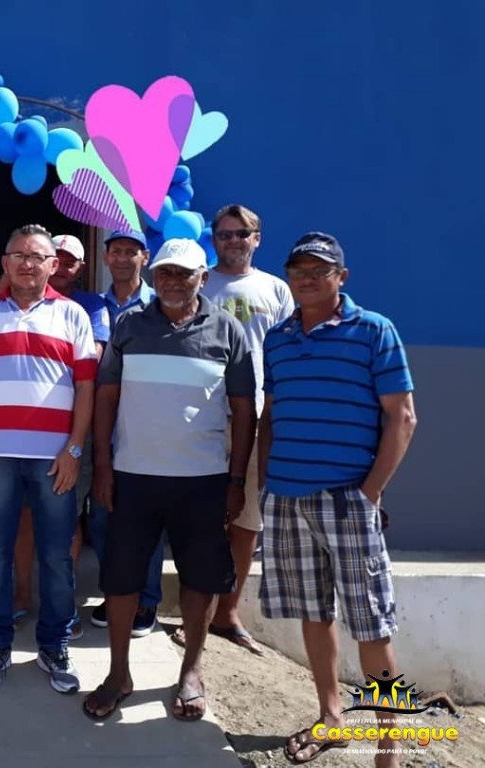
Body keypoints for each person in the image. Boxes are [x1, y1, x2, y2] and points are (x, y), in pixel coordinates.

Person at [259, 233, 416, 766]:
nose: (306, 279)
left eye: (318, 270)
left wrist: (369, 493)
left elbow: (402, 417)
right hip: (286, 499)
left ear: (340, 277)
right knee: (313, 612)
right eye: (298, 270)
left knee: (372, 623)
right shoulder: (278, 338)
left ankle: (389, 746)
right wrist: (266, 482)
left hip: (347, 501)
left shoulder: (374, 331)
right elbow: (271, 415)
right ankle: (331, 717)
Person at [86, 238, 256, 723]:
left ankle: (191, 671)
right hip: (132, 478)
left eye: (184, 273)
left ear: (204, 277)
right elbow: (105, 397)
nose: (173, 282)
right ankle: (119, 673)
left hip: (202, 481)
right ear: (153, 276)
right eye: (165, 273)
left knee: (200, 578)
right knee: (121, 579)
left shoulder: (228, 331)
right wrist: (103, 466)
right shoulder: (129, 325)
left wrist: (236, 479)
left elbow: (245, 410)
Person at [0, 224, 96, 694]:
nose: (27, 264)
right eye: (18, 256)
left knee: (56, 555)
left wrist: (75, 448)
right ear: (4, 263)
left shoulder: (73, 315)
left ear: (53, 265)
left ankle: (54, 645)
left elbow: (86, 388)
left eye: (37, 257)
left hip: (54, 459)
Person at [170, 204, 293, 655]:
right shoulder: (200, 283)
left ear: (257, 238)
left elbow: (285, 353)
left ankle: (228, 612)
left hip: (256, 419)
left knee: (246, 522)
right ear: (214, 239)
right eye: (224, 234)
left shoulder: (276, 290)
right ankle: (194, 616)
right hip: (202, 419)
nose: (233, 241)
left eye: (242, 233)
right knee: (200, 521)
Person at [91, 230, 163, 638]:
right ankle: (115, 592)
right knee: (102, 517)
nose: (122, 258)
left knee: (145, 519)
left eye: (130, 252)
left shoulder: (158, 304)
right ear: (105, 257)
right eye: (115, 251)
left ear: (145, 257)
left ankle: (146, 599)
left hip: (144, 423)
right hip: (100, 424)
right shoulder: (90, 306)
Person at [48, 234, 110, 639]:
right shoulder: (23, 299)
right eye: (57, 258)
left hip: (77, 424)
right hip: (34, 425)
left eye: (70, 261)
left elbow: (92, 360)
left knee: (69, 513)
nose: (62, 266)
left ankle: (63, 601)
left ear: (82, 268)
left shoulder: (92, 305)